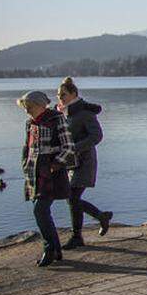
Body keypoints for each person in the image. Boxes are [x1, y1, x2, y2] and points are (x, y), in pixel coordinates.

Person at [17, 90, 76, 267]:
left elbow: (69, 147)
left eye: (29, 106)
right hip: (35, 173)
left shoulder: (56, 119)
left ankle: (49, 249)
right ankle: (56, 250)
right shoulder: (30, 123)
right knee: (41, 210)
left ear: (40, 105)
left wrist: (54, 165)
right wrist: (25, 164)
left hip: (51, 174)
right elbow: (27, 148)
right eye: (25, 106)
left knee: (40, 210)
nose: (27, 109)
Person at [56, 78, 113, 249]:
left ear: (74, 94)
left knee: (72, 197)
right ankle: (100, 217)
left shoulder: (84, 112)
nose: (60, 98)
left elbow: (97, 136)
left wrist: (75, 148)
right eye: (58, 95)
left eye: (63, 95)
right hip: (71, 163)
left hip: (84, 162)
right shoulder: (64, 113)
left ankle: (77, 236)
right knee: (71, 198)